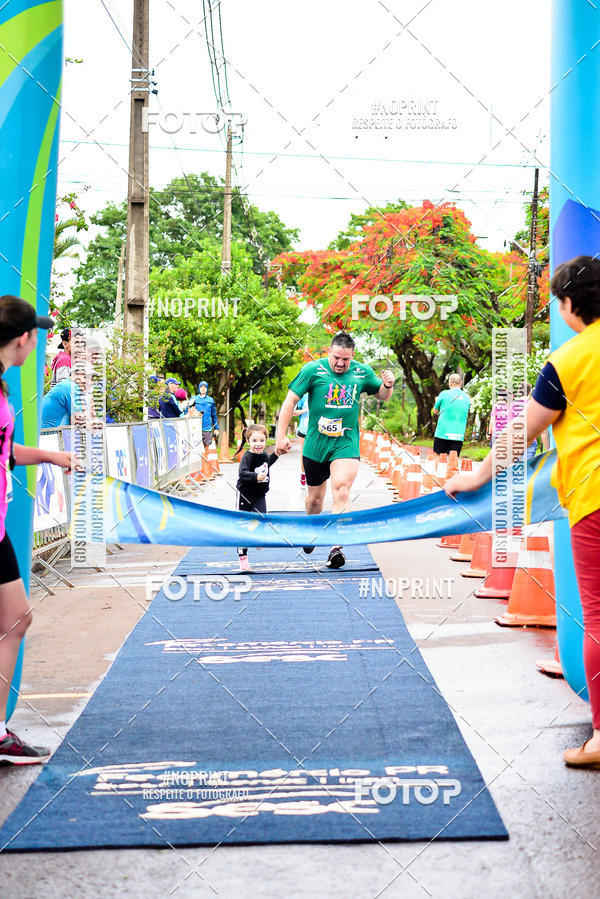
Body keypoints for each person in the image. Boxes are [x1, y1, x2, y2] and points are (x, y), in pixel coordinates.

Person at [444, 255, 600, 770]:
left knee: (597, 617)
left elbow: (522, 432)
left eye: (559, 300)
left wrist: (477, 476)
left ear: (573, 303)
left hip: (594, 498)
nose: (559, 308)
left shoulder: (571, 359)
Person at [0, 295, 77, 763]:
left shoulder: (2, 385)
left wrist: (51, 455)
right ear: (24, 338)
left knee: (16, 619)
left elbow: (6, 451)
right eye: (37, 334)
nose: (38, 343)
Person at [276, 331, 395, 569]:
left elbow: (382, 395)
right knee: (315, 500)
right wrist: (281, 436)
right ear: (329, 352)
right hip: (316, 444)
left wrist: (388, 384)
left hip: (345, 442)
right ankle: (311, 528)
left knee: (341, 489)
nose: (341, 364)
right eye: (336, 358)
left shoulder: (361, 372)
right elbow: (290, 401)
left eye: (346, 360)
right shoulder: (312, 370)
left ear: (352, 356)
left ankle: (335, 546)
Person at [236, 424, 281, 572]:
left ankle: (258, 537)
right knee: (243, 525)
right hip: (245, 494)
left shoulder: (263, 455)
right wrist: (256, 476)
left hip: (260, 494)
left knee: (262, 518)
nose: (258, 444)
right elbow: (242, 473)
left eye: (261, 440)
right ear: (248, 441)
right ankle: (243, 558)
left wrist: (277, 454)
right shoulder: (247, 456)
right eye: (254, 441)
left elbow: (267, 462)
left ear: (266, 441)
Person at [432, 374, 471, 456]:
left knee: (438, 456)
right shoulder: (467, 397)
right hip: (458, 435)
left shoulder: (443, 394)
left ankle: (437, 469)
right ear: (461, 383)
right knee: (453, 458)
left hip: (442, 433)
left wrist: (436, 401)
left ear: (450, 384)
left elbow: (435, 412)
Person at [189, 380, 219, 447]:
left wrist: (216, 428)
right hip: (196, 428)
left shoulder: (210, 400)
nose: (203, 388)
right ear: (199, 388)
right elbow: (187, 411)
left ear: (207, 389)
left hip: (207, 428)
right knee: (196, 448)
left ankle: (205, 457)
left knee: (206, 448)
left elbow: (214, 415)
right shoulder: (194, 399)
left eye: (205, 387)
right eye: (201, 387)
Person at [293, 392, 309, 486]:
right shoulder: (304, 397)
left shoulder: (322, 393)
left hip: (317, 429)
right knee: (304, 453)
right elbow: (294, 412)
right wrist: (306, 409)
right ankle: (303, 474)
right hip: (304, 429)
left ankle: (314, 474)